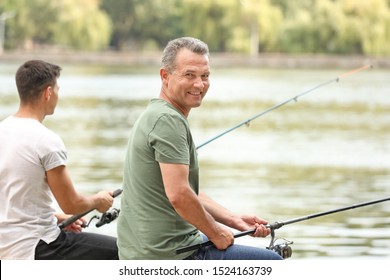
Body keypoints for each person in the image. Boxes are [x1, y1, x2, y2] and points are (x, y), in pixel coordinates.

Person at [117, 37, 282, 260]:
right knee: (273, 263)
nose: (199, 84)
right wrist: (215, 232)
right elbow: (179, 196)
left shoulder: (158, 114)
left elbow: (187, 191)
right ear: (165, 76)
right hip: (166, 256)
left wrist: (233, 221)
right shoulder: (167, 121)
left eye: (205, 76)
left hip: (155, 249)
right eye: (189, 75)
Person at [0, 60, 118, 260]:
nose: (57, 95)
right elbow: (72, 204)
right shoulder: (46, 140)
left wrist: (56, 218)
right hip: (38, 246)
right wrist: (99, 200)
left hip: (6, 247)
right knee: (125, 252)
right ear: (48, 93)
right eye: (57, 89)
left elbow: (12, 201)